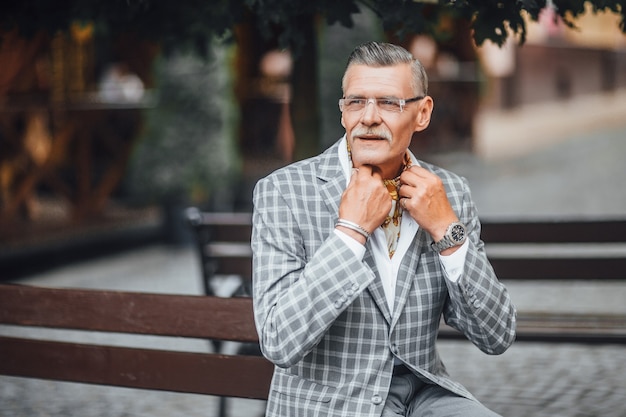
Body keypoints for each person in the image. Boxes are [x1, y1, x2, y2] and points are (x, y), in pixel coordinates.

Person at [251, 41, 516, 417]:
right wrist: (350, 232)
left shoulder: (450, 192)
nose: (369, 117)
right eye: (356, 102)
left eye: (389, 103)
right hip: (331, 405)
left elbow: (496, 334)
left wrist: (446, 228)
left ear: (422, 114)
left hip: (424, 396)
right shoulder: (284, 192)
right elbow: (279, 340)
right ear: (342, 112)